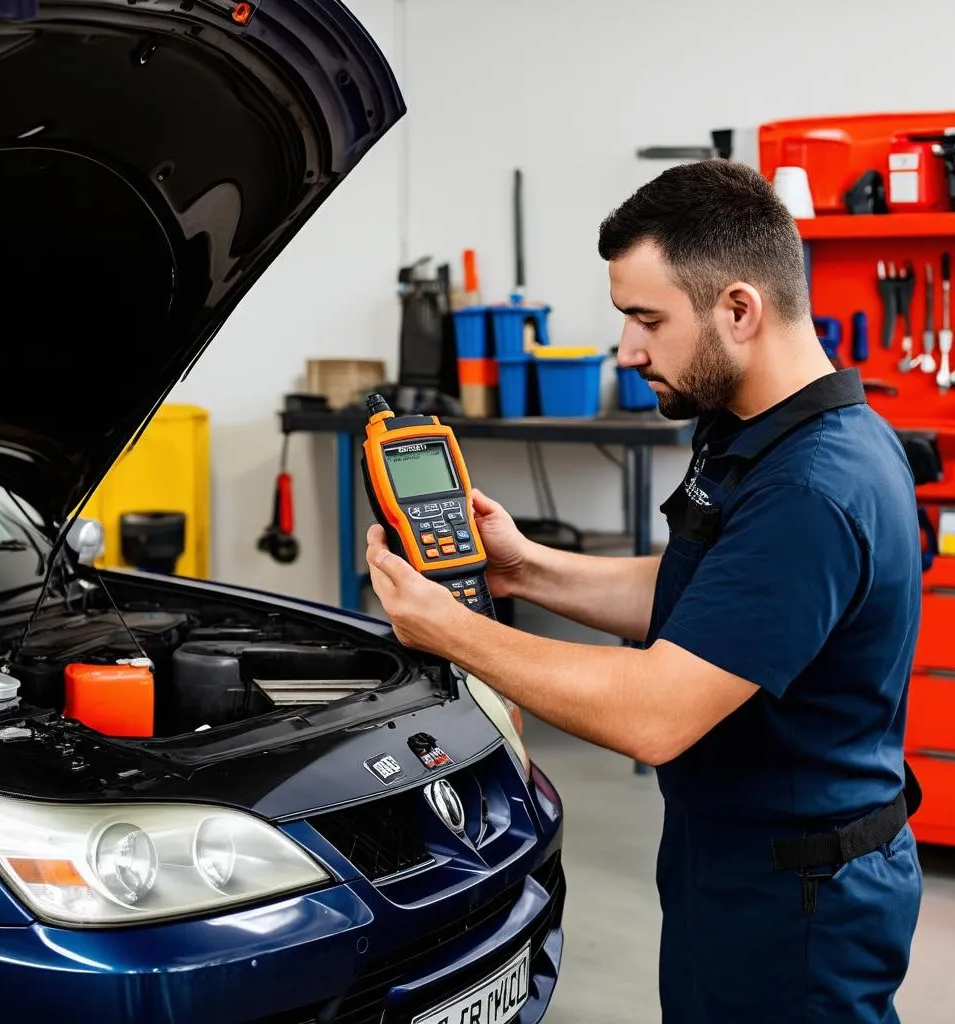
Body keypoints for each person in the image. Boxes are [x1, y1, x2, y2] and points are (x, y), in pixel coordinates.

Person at [365, 160, 924, 1023]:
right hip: (733, 859)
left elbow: (654, 713)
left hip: (801, 901)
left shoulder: (814, 486)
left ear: (740, 309)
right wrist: (526, 566)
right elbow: (707, 596)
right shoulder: (751, 428)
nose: (627, 350)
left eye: (645, 321)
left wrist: (453, 630)